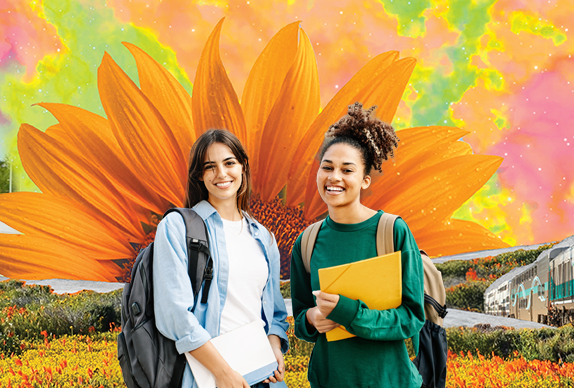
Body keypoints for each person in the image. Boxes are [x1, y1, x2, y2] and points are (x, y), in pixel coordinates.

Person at [290, 103, 426, 387]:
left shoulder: (392, 231)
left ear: (365, 180)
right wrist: (313, 319)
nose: (334, 177)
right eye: (326, 167)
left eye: (347, 170)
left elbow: (411, 318)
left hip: (390, 380)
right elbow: (302, 318)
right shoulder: (306, 242)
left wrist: (351, 314)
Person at [153, 129, 289, 388]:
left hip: (265, 376)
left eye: (229, 163)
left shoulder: (264, 237)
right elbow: (174, 314)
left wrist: (274, 347)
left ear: (243, 167)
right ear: (200, 176)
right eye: (210, 167)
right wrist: (222, 373)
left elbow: (274, 312)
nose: (222, 174)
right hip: (209, 377)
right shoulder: (178, 227)